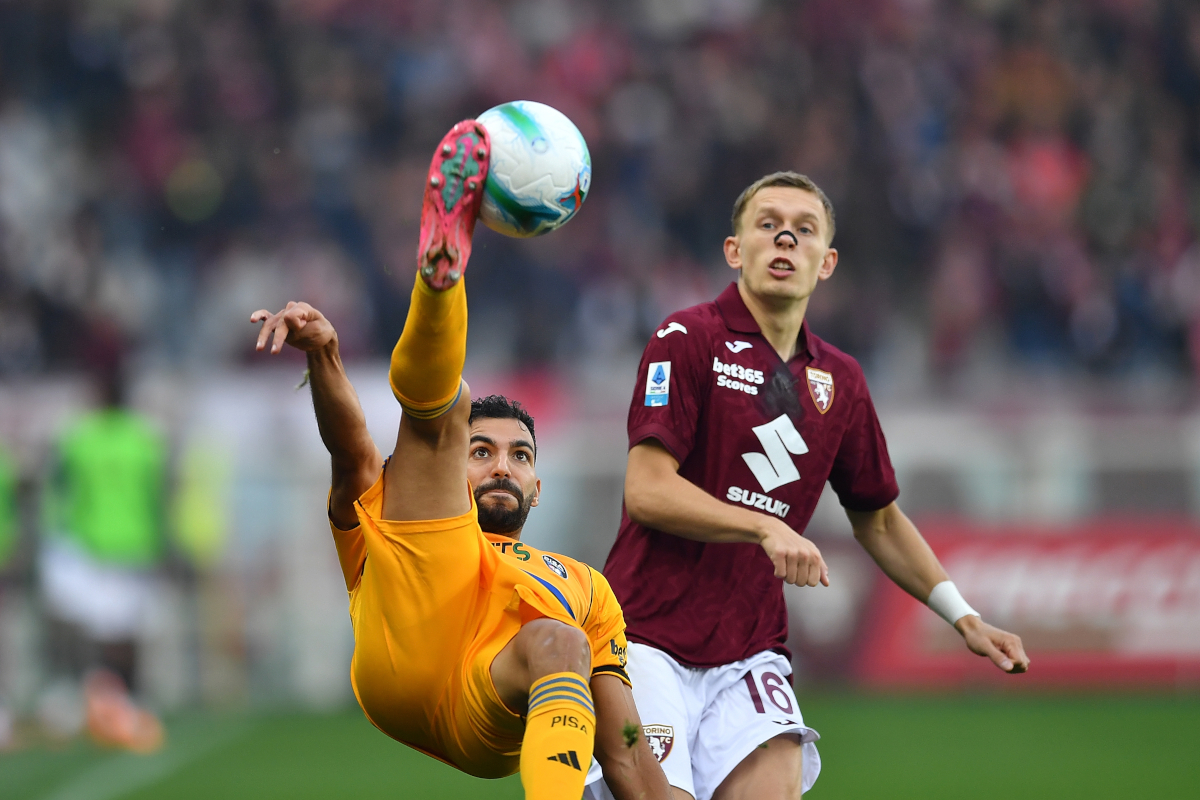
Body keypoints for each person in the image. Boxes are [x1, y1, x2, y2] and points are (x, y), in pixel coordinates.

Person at [251, 119, 670, 800]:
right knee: (446, 407)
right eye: (483, 452)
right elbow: (354, 453)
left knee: (559, 643)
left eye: (519, 455)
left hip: (490, 706)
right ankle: (440, 278)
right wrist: (326, 356)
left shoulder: (586, 591)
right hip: (404, 658)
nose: (502, 465)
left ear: (538, 484)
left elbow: (624, 747)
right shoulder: (404, 502)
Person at [590, 172, 1030, 800]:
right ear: (734, 250)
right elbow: (648, 491)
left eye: (804, 230)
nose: (785, 239)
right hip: (644, 641)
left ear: (826, 263)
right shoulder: (687, 339)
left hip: (749, 650)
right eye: (767, 224)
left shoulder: (840, 380)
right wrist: (765, 525)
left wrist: (963, 617)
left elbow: (877, 518)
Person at [40, 359, 167, 752]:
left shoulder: (77, 438)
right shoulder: (146, 440)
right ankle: (126, 696)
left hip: (90, 542)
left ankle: (89, 695)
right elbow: (158, 494)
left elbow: (58, 488)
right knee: (125, 631)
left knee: (85, 627)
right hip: (135, 543)